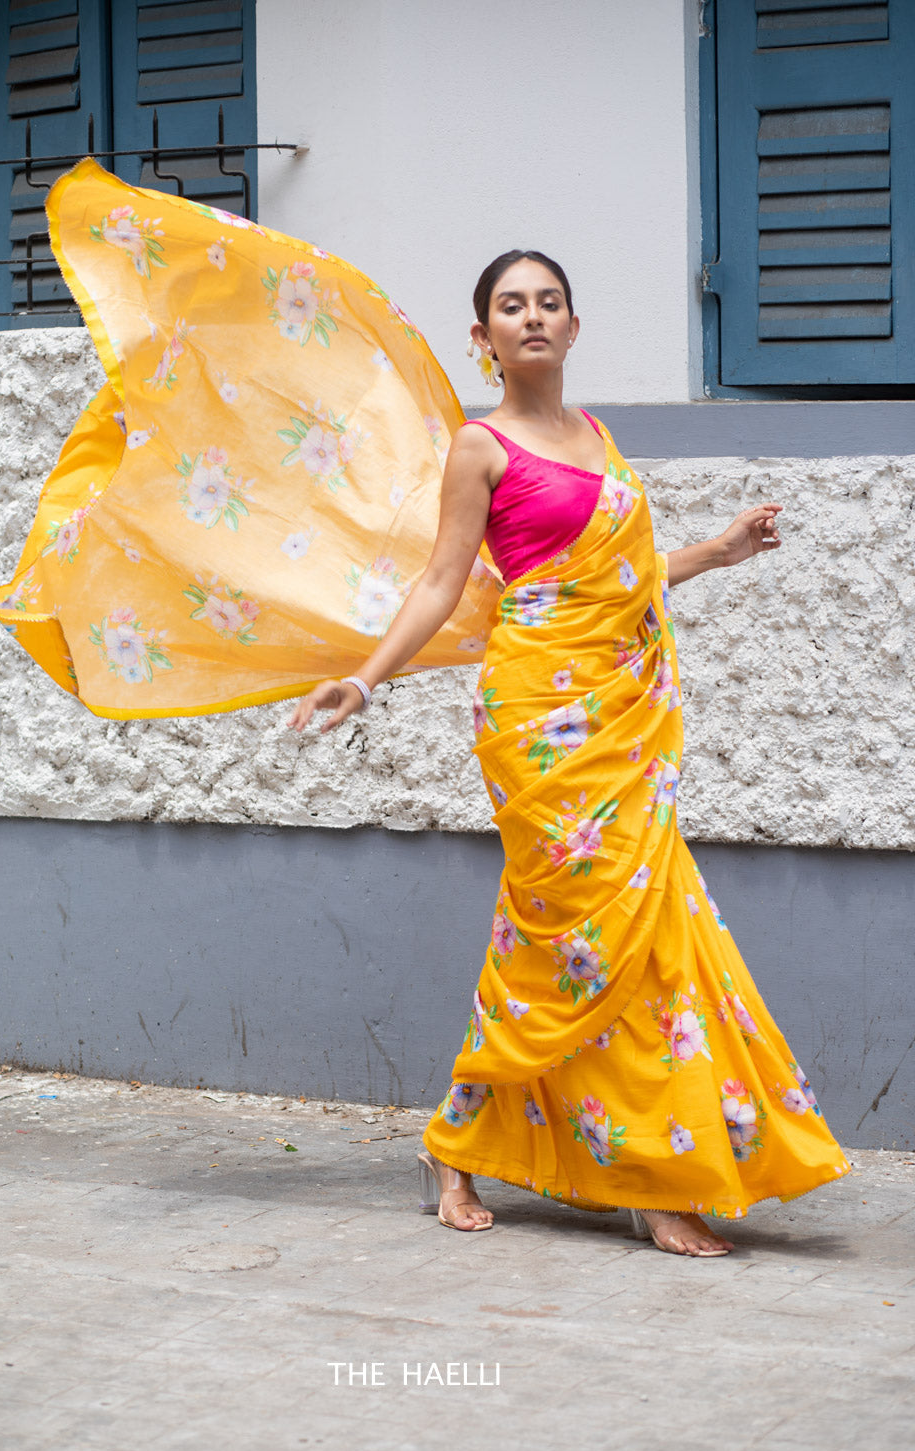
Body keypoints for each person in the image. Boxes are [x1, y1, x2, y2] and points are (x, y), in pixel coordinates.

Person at [288, 250, 853, 1256]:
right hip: (538, 721)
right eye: (511, 306)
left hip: (622, 711)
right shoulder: (479, 448)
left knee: (637, 934)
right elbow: (437, 584)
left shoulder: (597, 438)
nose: (532, 316)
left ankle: (568, 1152)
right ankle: (572, 1162)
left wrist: (716, 554)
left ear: (574, 328)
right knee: (572, 934)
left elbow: (623, 577)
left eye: (549, 302)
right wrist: (365, 678)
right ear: (483, 338)